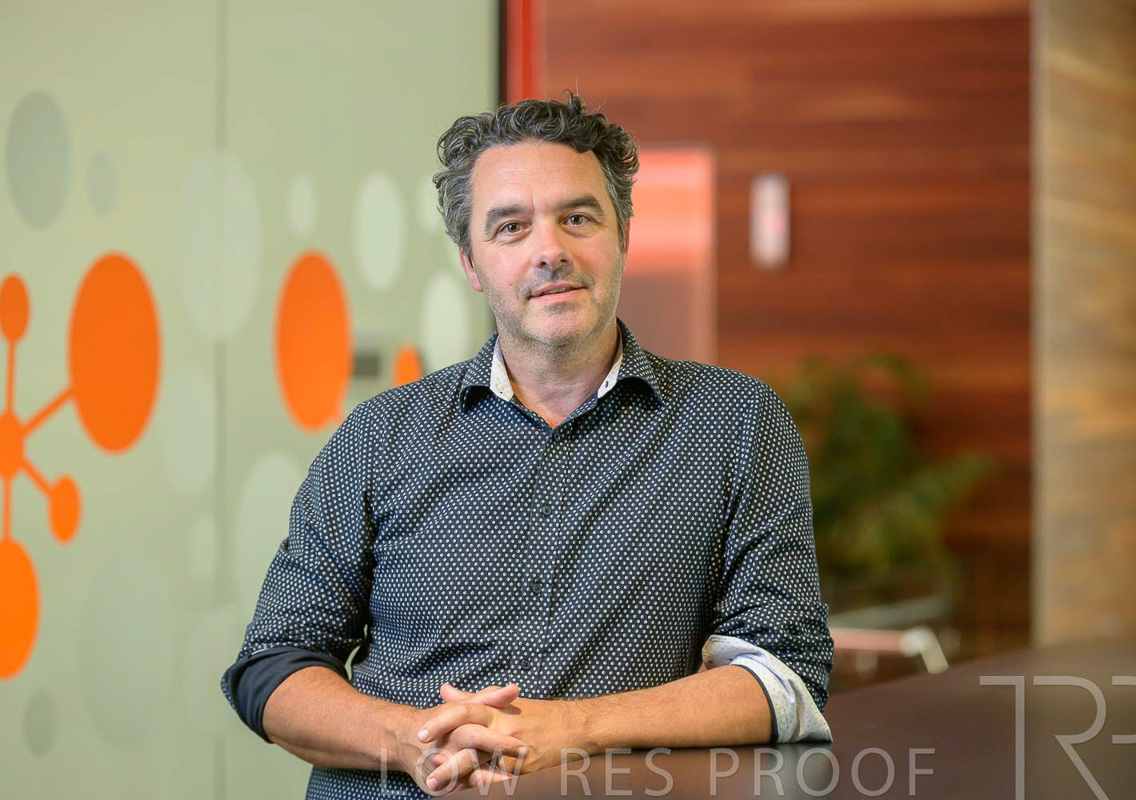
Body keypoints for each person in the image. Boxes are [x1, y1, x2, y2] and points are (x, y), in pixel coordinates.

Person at [221, 92, 834, 799]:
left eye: (578, 218)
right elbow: (273, 666)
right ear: (471, 263)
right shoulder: (380, 436)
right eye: (511, 227)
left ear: (623, 236)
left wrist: (571, 728)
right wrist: (416, 741)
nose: (550, 251)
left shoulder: (734, 423)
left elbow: (786, 675)